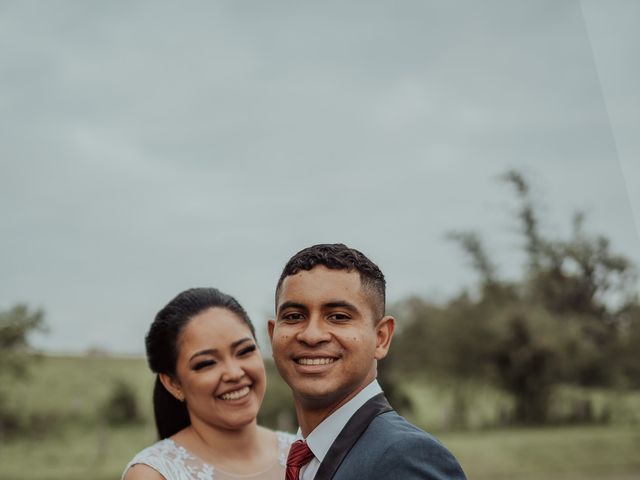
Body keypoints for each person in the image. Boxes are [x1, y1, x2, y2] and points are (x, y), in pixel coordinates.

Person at [268, 244, 466, 480]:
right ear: (272, 335)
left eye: (338, 317)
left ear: (381, 338)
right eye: (294, 317)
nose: (311, 335)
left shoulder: (407, 458)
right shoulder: (299, 458)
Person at [122, 287, 295, 480]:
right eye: (206, 363)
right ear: (173, 384)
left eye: (245, 351)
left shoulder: (302, 454)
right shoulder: (154, 474)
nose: (234, 373)